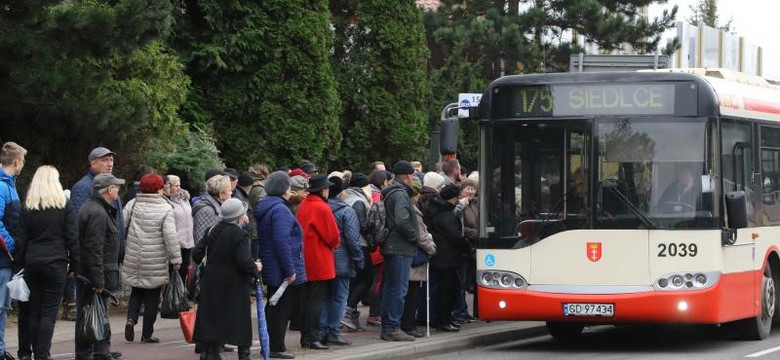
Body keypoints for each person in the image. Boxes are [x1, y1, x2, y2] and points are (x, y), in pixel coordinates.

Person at [17, 165, 78, 360]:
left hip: (33, 262)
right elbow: (72, 238)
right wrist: (75, 265)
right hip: (56, 262)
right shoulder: (64, 205)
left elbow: (21, 240)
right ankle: (43, 354)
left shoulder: (28, 206)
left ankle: (35, 352)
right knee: (49, 311)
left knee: (34, 311)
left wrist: (19, 265)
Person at [192, 198, 260, 360]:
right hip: (234, 283)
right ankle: (244, 353)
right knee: (239, 316)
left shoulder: (212, 230)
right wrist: (255, 268)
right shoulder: (240, 234)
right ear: (239, 216)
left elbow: (196, 255)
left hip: (211, 281)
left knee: (213, 316)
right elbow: (243, 261)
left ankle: (210, 352)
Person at [122, 174, 182, 344]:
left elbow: (122, 226)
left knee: (136, 290)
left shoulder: (132, 204)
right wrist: (175, 258)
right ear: (159, 188)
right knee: (152, 297)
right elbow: (170, 236)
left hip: (134, 255)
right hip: (155, 259)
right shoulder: (165, 208)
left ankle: (131, 319)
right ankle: (147, 334)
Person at [68, 147, 123, 326]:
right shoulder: (83, 187)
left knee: (102, 307)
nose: (109, 164)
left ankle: (101, 346)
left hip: (108, 259)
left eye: (111, 160)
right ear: (92, 163)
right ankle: (92, 348)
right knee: (90, 309)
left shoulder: (111, 186)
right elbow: (78, 228)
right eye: (105, 160)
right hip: (94, 261)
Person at [255, 171, 306, 360]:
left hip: (271, 263)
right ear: (285, 189)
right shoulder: (281, 210)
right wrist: (290, 269)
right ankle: (276, 346)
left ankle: (271, 345)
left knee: (275, 306)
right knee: (281, 309)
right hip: (281, 266)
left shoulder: (268, 206)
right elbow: (281, 240)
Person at [75, 173, 125, 360]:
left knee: (95, 315)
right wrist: (98, 281)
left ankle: (100, 352)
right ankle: (94, 353)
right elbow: (94, 249)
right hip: (95, 275)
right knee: (92, 315)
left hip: (95, 274)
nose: (118, 191)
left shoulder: (96, 208)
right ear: (109, 190)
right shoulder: (96, 212)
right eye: (116, 187)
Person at [296, 174, 340, 350]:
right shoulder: (322, 208)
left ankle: (306, 337)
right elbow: (333, 237)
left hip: (305, 257)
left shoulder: (304, 204)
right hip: (318, 259)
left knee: (307, 300)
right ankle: (312, 337)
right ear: (323, 189)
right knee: (315, 301)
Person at [379, 161, 420, 342]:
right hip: (400, 247)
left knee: (390, 288)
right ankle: (393, 327)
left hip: (392, 245)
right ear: (409, 176)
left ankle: (388, 326)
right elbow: (402, 221)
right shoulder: (401, 194)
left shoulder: (391, 192)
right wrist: (414, 237)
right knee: (398, 289)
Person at [320, 177, 363, 346]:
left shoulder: (321, 208)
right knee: (339, 297)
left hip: (325, 259)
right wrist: (359, 260)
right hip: (342, 260)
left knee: (325, 297)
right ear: (342, 192)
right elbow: (353, 240)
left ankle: (322, 330)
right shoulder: (347, 211)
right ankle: (333, 331)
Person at [428, 184, 471, 332]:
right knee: (448, 291)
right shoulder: (447, 215)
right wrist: (467, 246)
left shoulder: (440, 211)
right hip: (447, 258)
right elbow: (455, 236)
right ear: (454, 198)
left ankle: (445, 319)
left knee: (448, 289)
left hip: (444, 257)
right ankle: (443, 320)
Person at [400, 181, 435, 338]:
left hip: (407, 254)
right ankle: (408, 325)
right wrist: (432, 248)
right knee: (412, 293)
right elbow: (421, 235)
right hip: (414, 256)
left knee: (408, 292)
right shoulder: (413, 211)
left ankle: (406, 323)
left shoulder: (407, 209)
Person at [1, 142, 25, 360]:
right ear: (16, 161)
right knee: (0, 306)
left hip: (7, 257)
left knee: (3, 307)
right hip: (3, 257)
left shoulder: (10, 185)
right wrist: (11, 246)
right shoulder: (3, 186)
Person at [342, 174, 373, 331]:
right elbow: (362, 225)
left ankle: (350, 314)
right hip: (361, 244)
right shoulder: (359, 201)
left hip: (347, 245)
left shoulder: (346, 198)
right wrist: (372, 240)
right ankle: (348, 309)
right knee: (367, 278)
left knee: (355, 280)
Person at [165, 175, 194, 282]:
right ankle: (170, 297)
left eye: (179, 185)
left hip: (188, 242)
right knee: (172, 272)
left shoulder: (185, 199)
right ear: (169, 187)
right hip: (175, 243)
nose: (179, 188)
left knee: (183, 271)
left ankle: (179, 295)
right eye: (176, 186)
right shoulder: (167, 202)